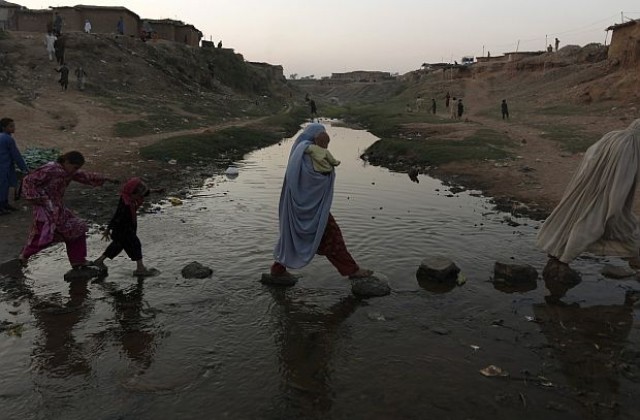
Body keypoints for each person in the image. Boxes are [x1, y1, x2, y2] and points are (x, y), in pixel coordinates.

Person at [270, 123, 373, 279]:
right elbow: (315, 178)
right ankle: (352, 270)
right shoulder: (307, 153)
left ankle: (277, 270)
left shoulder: (300, 150)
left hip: (298, 206)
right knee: (333, 237)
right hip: (311, 209)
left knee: (292, 236)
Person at [536, 119, 640, 270]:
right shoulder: (629, 146)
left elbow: (591, 154)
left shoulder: (613, 136)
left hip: (590, 183)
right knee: (599, 218)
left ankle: (557, 249)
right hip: (608, 187)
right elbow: (621, 180)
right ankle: (564, 257)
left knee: (576, 211)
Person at [19, 151, 118, 268]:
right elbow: (28, 180)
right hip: (46, 210)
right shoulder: (51, 169)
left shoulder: (67, 171)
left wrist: (106, 178)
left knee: (77, 228)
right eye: (74, 167)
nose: (74, 170)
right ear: (66, 162)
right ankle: (24, 255)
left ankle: (78, 260)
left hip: (58, 208)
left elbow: (84, 176)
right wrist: (39, 198)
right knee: (45, 235)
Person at [93, 178, 157, 277]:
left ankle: (100, 260)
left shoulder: (130, 197)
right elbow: (117, 215)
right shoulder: (125, 204)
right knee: (135, 244)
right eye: (138, 195)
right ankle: (140, 268)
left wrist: (156, 191)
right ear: (132, 193)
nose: (140, 197)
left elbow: (145, 193)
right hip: (123, 229)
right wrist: (108, 229)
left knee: (118, 245)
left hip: (126, 229)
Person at [0, 118, 28, 215]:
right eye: (11, 126)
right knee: (3, 185)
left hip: (5, 165)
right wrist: (24, 168)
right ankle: (1, 206)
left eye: (13, 125)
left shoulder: (3, 137)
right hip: (3, 166)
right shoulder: (8, 139)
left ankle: (4, 204)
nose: (13, 128)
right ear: (4, 128)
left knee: (4, 185)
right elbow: (16, 155)